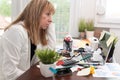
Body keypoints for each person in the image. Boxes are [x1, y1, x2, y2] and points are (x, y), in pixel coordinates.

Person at [0, 0, 56, 80]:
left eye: (51, 15)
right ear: (36, 13)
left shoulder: (35, 34)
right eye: (47, 14)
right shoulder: (16, 32)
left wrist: (51, 28)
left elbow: (48, 55)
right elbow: (9, 72)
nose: (50, 20)